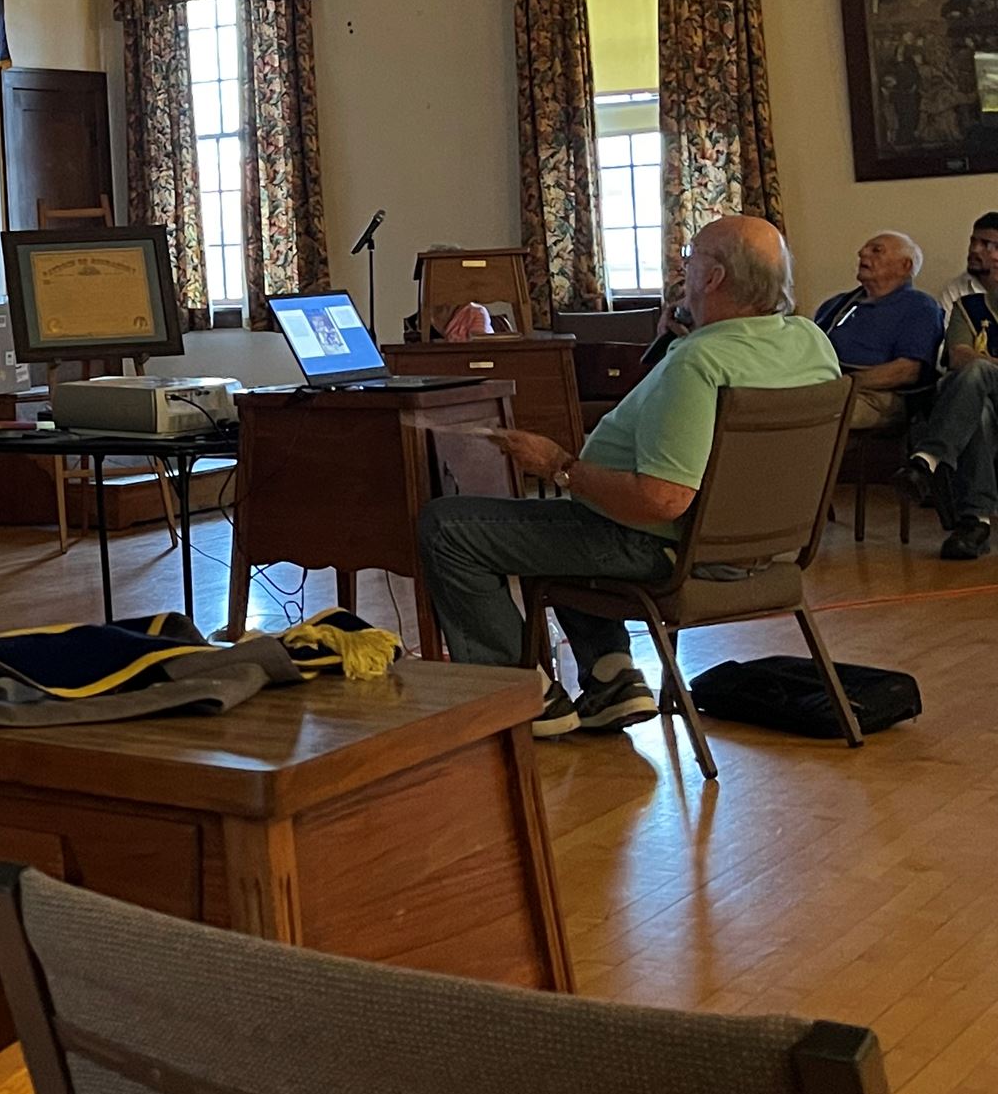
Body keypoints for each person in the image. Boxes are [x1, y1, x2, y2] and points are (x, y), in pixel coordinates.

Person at [415, 216, 840, 740]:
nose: (682, 268)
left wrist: (559, 466)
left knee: (447, 527)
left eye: (691, 258)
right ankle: (611, 678)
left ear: (714, 280)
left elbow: (661, 500)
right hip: (764, 550)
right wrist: (676, 342)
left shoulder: (700, 364)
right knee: (559, 523)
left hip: (668, 549)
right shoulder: (810, 341)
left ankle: (519, 697)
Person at [904, 251, 998, 560]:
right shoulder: (968, 308)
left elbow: (973, 361)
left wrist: (985, 363)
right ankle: (976, 523)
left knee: (978, 372)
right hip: (983, 402)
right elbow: (958, 356)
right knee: (977, 411)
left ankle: (928, 458)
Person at [810, 231, 943, 429]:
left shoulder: (919, 306)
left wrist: (842, 385)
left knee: (808, 414)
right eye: (865, 249)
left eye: (876, 250)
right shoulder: (835, 304)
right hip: (825, 386)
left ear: (905, 266)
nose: (862, 253)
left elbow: (907, 371)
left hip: (878, 394)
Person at [932, 212, 998, 319]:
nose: (974, 249)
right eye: (973, 241)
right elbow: (947, 334)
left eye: (985, 244)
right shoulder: (956, 290)